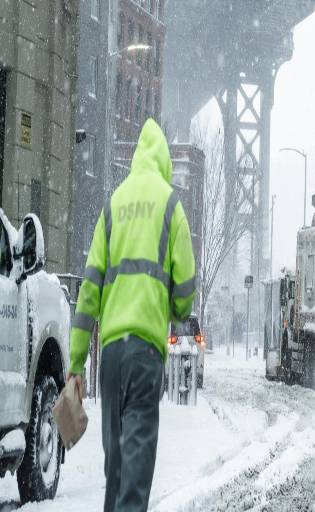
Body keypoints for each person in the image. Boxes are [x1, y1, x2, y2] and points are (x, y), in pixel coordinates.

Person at [67, 119, 196, 512]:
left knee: (116, 464)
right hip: (145, 354)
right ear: (163, 163)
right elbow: (186, 284)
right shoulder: (171, 204)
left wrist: (76, 360)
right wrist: (175, 310)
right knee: (136, 463)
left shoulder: (113, 204)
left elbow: (88, 289)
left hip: (111, 355)